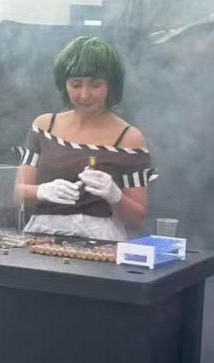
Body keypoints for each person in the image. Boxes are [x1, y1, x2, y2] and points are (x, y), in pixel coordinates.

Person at [14, 36, 153, 241]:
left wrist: (115, 196)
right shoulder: (44, 127)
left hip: (101, 244)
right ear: (64, 84)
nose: (85, 95)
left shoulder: (130, 139)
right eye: (76, 84)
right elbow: (18, 196)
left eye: (95, 85)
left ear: (111, 86)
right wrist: (42, 191)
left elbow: (137, 219)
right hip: (41, 239)